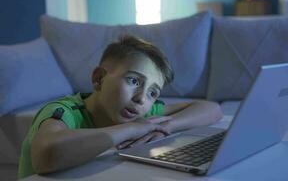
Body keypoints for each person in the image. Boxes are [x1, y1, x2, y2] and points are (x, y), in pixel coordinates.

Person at [18, 35, 223, 178]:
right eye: (134, 81)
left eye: (153, 93)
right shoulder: (66, 112)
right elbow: (46, 154)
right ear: (99, 78)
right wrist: (131, 129)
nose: (142, 98)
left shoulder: (140, 111)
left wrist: (168, 126)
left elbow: (211, 109)